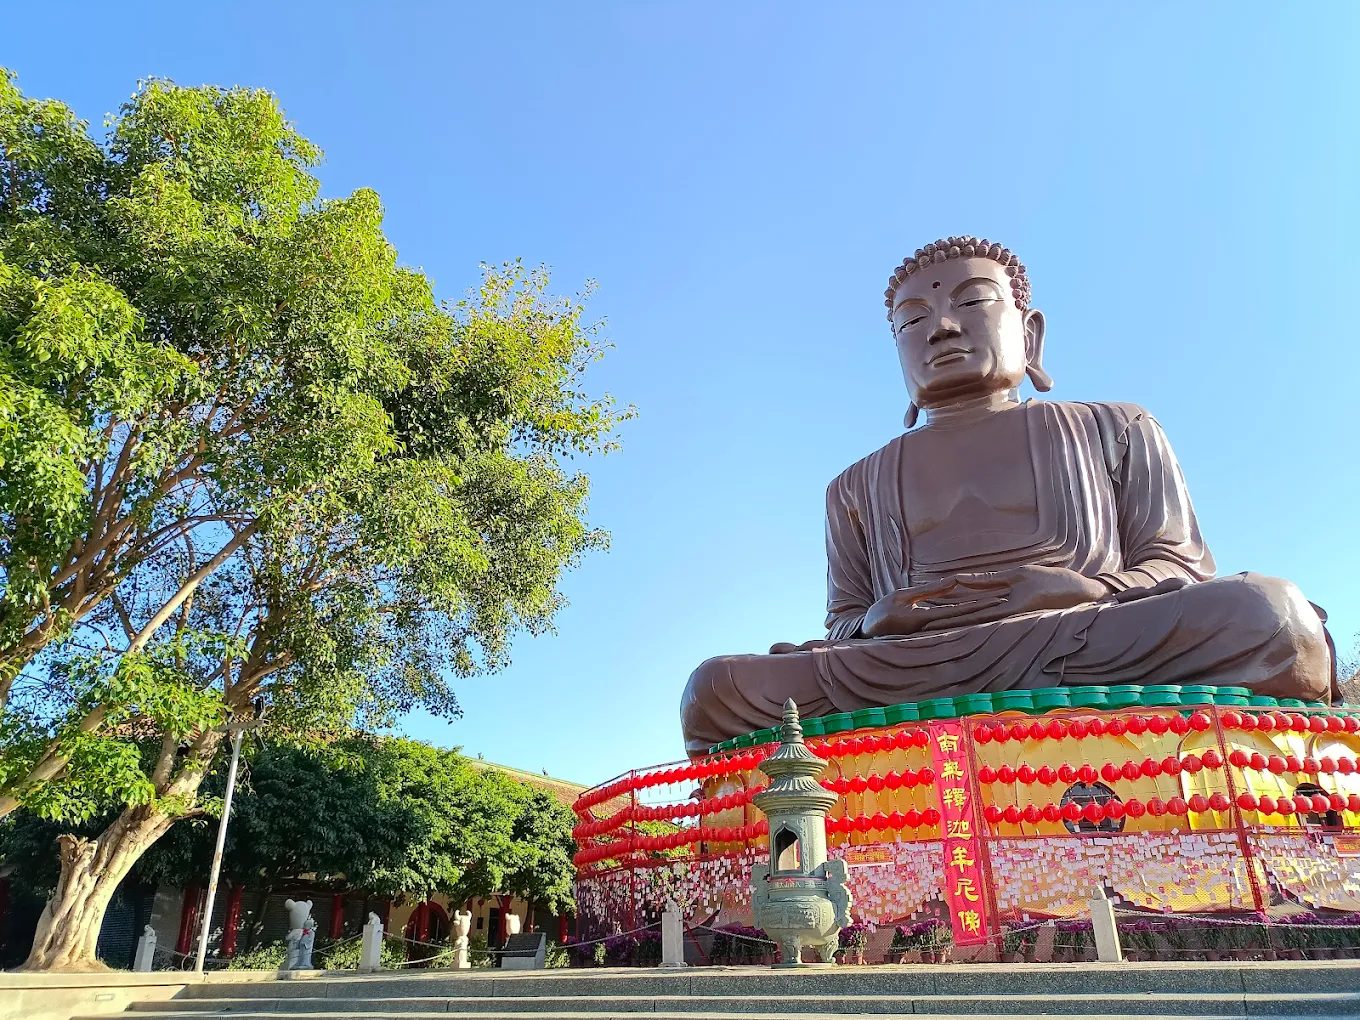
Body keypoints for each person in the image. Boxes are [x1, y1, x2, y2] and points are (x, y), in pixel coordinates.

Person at [680, 236, 1334, 756]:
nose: (940, 328)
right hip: (908, 664)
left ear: (1031, 332)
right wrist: (879, 619)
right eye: (913, 320)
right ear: (898, 353)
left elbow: (1179, 567)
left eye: (970, 303)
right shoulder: (854, 486)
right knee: (713, 691)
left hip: (1085, 638)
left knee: (1269, 617)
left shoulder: (1117, 426)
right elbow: (845, 621)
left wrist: (1083, 591)